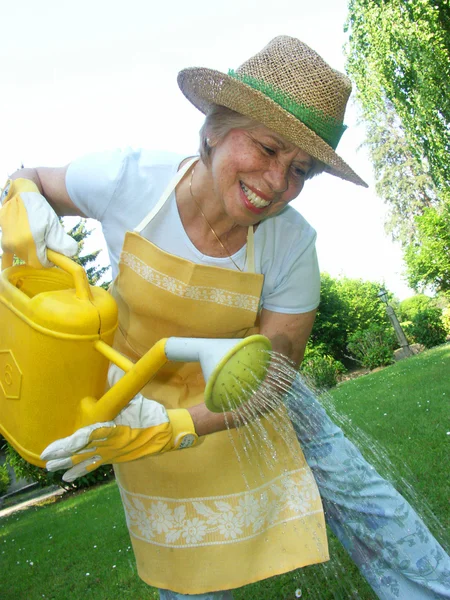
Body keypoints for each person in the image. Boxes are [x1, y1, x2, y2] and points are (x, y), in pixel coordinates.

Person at [1, 36, 449, 600]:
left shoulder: (292, 243)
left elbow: (275, 372)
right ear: (213, 128)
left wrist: (183, 426)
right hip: (138, 392)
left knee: (363, 501)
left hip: (245, 378)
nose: (276, 182)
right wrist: (20, 199)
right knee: (188, 561)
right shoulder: (129, 179)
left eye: (299, 171)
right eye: (266, 148)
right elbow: (31, 178)